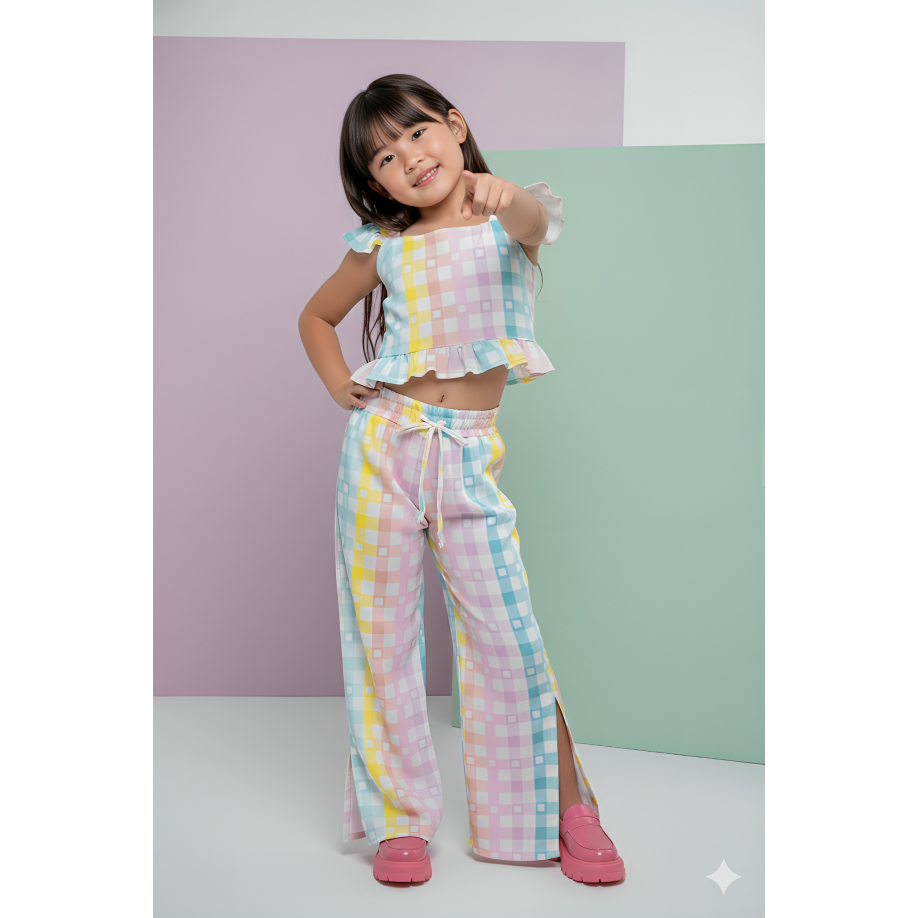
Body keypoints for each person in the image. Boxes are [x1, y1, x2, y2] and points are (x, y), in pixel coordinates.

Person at [298, 74, 625, 886]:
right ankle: (397, 820)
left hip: (468, 454)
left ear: (455, 124)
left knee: (508, 638)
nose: (408, 159)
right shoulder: (382, 245)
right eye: (383, 157)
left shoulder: (506, 220)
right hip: (382, 449)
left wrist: (506, 194)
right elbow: (316, 316)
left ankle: (564, 806)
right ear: (374, 182)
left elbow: (535, 221)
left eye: (417, 134)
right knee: (381, 639)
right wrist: (339, 383)